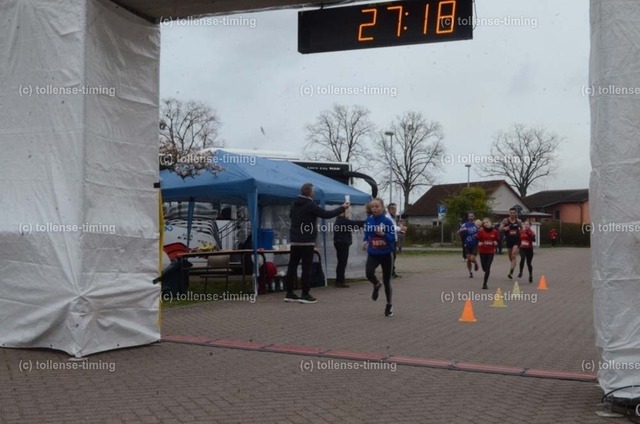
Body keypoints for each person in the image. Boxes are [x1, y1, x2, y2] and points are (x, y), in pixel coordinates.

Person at [284, 183, 349, 304]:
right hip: (307, 241)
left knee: (292, 266)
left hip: (295, 240)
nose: (313, 193)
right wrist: (342, 207)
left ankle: (289, 293)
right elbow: (326, 214)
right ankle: (305, 294)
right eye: (313, 191)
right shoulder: (310, 204)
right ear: (309, 192)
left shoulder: (294, 204)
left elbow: (292, 216)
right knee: (306, 268)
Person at [363, 198, 396, 317]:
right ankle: (376, 284)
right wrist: (365, 241)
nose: (374, 209)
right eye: (372, 207)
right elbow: (367, 233)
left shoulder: (387, 221)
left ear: (382, 207)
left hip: (386, 254)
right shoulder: (369, 220)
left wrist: (384, 234)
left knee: (387, 281)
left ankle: (389, 305)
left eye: (377, 206)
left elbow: (392, 237)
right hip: (373, 252)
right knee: (368, 273)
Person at [333, 210, 365, 288]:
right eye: (347, 211)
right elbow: (355, 224)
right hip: (342, 243)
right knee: (342, 262)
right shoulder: (343, 220)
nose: (348, 213)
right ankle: (340, 281)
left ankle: (339, 280)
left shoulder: (338, 220)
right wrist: (367, 222)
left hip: (339, 242)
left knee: (341, 262)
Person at [476, 218, 500, 290]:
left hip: (490, 252)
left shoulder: (495, 231)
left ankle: (485, 284)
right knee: (484, 267)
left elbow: (498, 239)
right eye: (484, 223)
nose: (486, 224)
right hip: (482, 251)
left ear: (490, 222)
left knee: (488, 266)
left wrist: (496, 242)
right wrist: (479, 242)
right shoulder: (481, 231)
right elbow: (477, 238)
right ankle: (485, 271)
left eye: (487, 222)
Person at [499, 208, 523, 279]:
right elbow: (499, 229)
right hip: (509, 240)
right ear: (509, 213)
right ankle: (513, 264)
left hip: (516, 240)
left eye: (514, 213)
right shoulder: (505, 220)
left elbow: (522, 229)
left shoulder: (518, 221)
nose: (512, 214)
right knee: (511, 257)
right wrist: (504, 228)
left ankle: (511, 273)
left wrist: (520, 232)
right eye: (511, 212)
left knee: (513, 255)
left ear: (516, 214)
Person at [457, 212, 479, 278]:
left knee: (472, 259)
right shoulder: (464, 224)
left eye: (472, 216)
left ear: (474, 217)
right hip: (467, 243)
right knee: (468, 259)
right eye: (469, 216)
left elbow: (482, 231)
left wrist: (478, 233)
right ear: (468, 217)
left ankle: (475, 263)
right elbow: (458, 232)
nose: (470, 217)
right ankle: (470, 272)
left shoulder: (477, 224)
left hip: (474, 244)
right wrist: (462, 230)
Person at [386, 203, 401, 278]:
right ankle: (390, 273)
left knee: (393, 257)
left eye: (395, 209)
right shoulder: (387, 218)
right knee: (391, 257)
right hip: (389, 240)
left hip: (393, 239)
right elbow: (392, 228)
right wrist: (400, 228)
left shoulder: (393, 218)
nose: (395, 211)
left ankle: (392, 272)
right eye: (393, 209)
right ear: (389, 210)